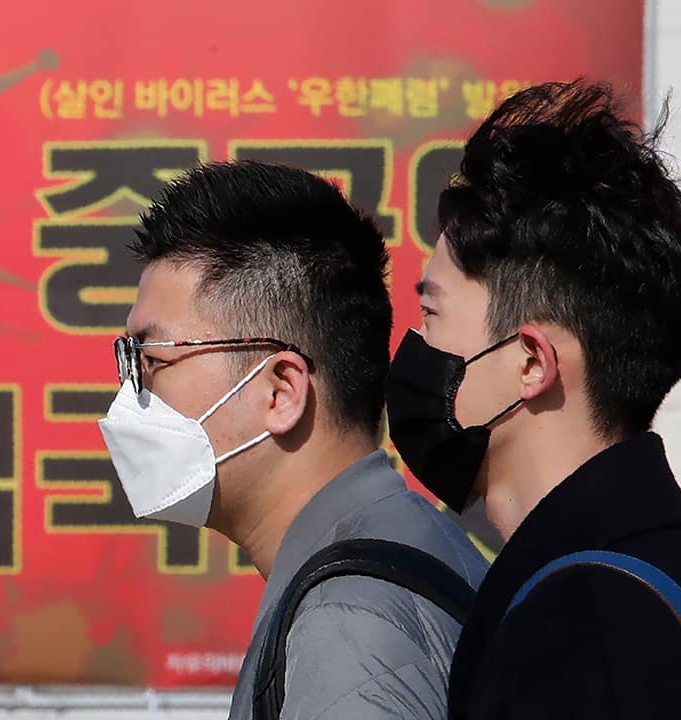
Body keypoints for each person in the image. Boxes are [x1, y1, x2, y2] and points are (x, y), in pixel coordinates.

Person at [98, 160, 488, 720]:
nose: (130, 393)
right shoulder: (395, 549)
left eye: (151, 358)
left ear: (280, 390)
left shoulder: (351, 616)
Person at [385, 79, 681, 718]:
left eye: (430, 314)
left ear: (530, 362)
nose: (414, 345)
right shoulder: (635, 567)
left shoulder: (578, 624)